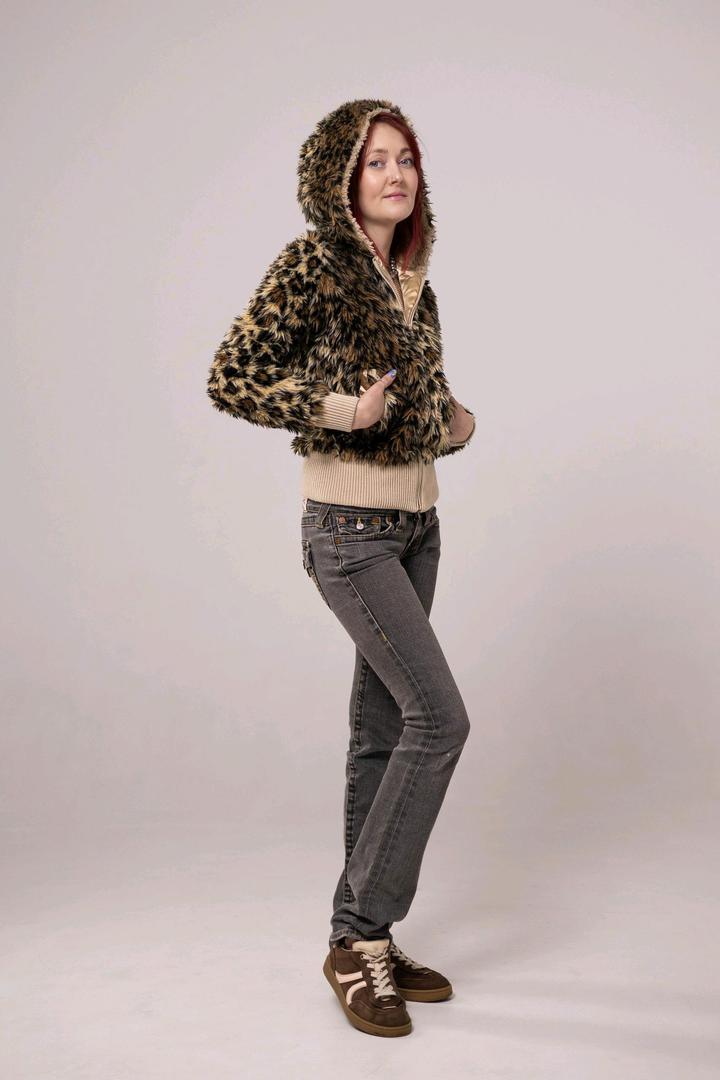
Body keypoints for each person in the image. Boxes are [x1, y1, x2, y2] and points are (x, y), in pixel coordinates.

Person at [206, 98, 476, 1038]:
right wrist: (335, 410)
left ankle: (365, 937)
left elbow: (415, 405)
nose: (395, 175)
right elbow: (232, 374)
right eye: (375, 161)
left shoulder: (415, 283)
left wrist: (455, 421)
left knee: (383, 731)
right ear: (341, 178)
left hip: (416, 529)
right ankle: (358, 935)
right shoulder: (312, 264)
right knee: (440, 720)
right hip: (350, 531)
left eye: (406, 158)